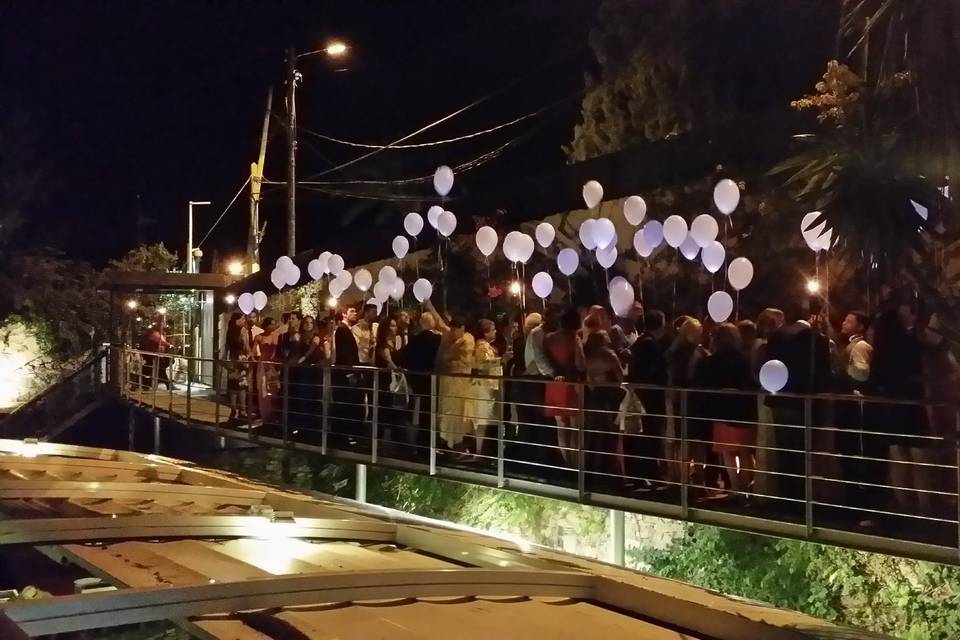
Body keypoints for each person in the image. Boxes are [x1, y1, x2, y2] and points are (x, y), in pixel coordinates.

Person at [766, 299, 832, 504]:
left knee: (785, 451)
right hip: (807, 398)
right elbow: (824, 372)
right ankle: (806, 497)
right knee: (807, 450)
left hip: (782, 397)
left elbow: (769, 364)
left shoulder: (777, 336)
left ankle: (787, 496)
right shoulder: (818, 339)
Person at [694, 323, 757, 499]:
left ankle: (736, 487)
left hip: (722, 411)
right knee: (744, 453)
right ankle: (745, 488)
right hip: (743, 410)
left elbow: (706, 383)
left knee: (728, 453)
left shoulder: (712, 360)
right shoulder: (742, 358)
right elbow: (750, 383)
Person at [627, 310, 668, 485]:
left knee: (643, 435)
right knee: (651, 436)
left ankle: (642, 473)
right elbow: (658, 370)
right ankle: (650, 473)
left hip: (641, 394)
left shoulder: (639, 342)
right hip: (651, 396)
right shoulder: (651, 345)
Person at [582, 330, 624, 490]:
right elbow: (620, 377)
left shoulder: (588, 358)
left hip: (595, 398)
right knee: (610, 437)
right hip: (610, 397)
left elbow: (589, 381)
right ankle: (609, 473)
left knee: (594, 435)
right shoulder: (610, 356)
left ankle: (592, 471)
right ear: (602, 340)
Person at [544, 309, 586, 467]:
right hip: (573, 383)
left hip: (555, 383)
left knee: (561, 427)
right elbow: (581, 365)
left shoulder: (549, 338)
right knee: (575, 427)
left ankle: (566, 464)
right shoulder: (573, 338)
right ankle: (576, 466)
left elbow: (547, 360)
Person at [433, 311, 476, 455]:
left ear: (462, 328)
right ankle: (448, 444)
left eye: (455, 329)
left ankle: (457, 445)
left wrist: (447, 358)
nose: (452, 331)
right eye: (451, 328)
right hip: (450, 383)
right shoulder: (454, 338)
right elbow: (440, 324)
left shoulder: (466, 340)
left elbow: (451, 358)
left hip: (460, 384)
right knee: (448, 412)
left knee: (459, 414)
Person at [399, 311, 443, 446]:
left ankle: (421, 442)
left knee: (421, 413)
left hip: (418, 379)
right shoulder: (438, 340)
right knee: (432, 412)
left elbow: (404, 358)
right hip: (433, 379)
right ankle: (432, 443)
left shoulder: (414, 339)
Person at [471, 319, 505, 458]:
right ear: (485, 332)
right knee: (482, 421)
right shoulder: (482, 346)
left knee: (485, 421)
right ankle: (479, 452)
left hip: (488, 389)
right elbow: (482, 364)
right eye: (493, 329)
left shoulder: (487, 346)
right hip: (484, 389)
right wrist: (502, 360)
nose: (495, 331)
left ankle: (482, 451)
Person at [332, 308, 362, 447]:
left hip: (346, 372)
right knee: (345, 404)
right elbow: (344, 353)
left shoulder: (345, 329)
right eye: (352, 311)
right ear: (344, 314)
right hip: (344, 374)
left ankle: (343, 435)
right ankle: (343, 436)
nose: (355, 313)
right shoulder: (342, 329)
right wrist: (349, 373)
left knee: (346, 404)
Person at [374, 314, 403, 444]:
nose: (395, 328)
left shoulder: (395, 342)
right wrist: (400, 372)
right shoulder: (382, 345)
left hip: (394, 380)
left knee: (394, 409)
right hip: (385, 380)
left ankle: (391, 437)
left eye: (395, 325)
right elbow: (389, 362)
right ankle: (384, 438)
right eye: (392, 325)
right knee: (386, 408)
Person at [224, 312, 251, 422]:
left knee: (234, 387)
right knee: (240, 387)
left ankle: (234, 411)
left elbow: (227, 348)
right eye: (242, 319)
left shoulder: (230, 331)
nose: (244, 321)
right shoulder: (241, 331)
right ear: (237, 320)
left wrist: (226, 360)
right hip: (239, 360)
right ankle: (242, 411)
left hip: (234, 360)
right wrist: (248, 356)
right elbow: (247, 347)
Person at [253, 317, 280, 424]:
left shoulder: (276, 336)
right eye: (271, 324)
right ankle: (265, 414)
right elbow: (253, 350)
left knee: (274, 388)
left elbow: (277, 350)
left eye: (274, 324)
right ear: (266, 325)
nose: (273, 326)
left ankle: (273, 414)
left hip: (273, 363)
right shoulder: (258, 337)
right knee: (263, 388)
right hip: (263, 363)